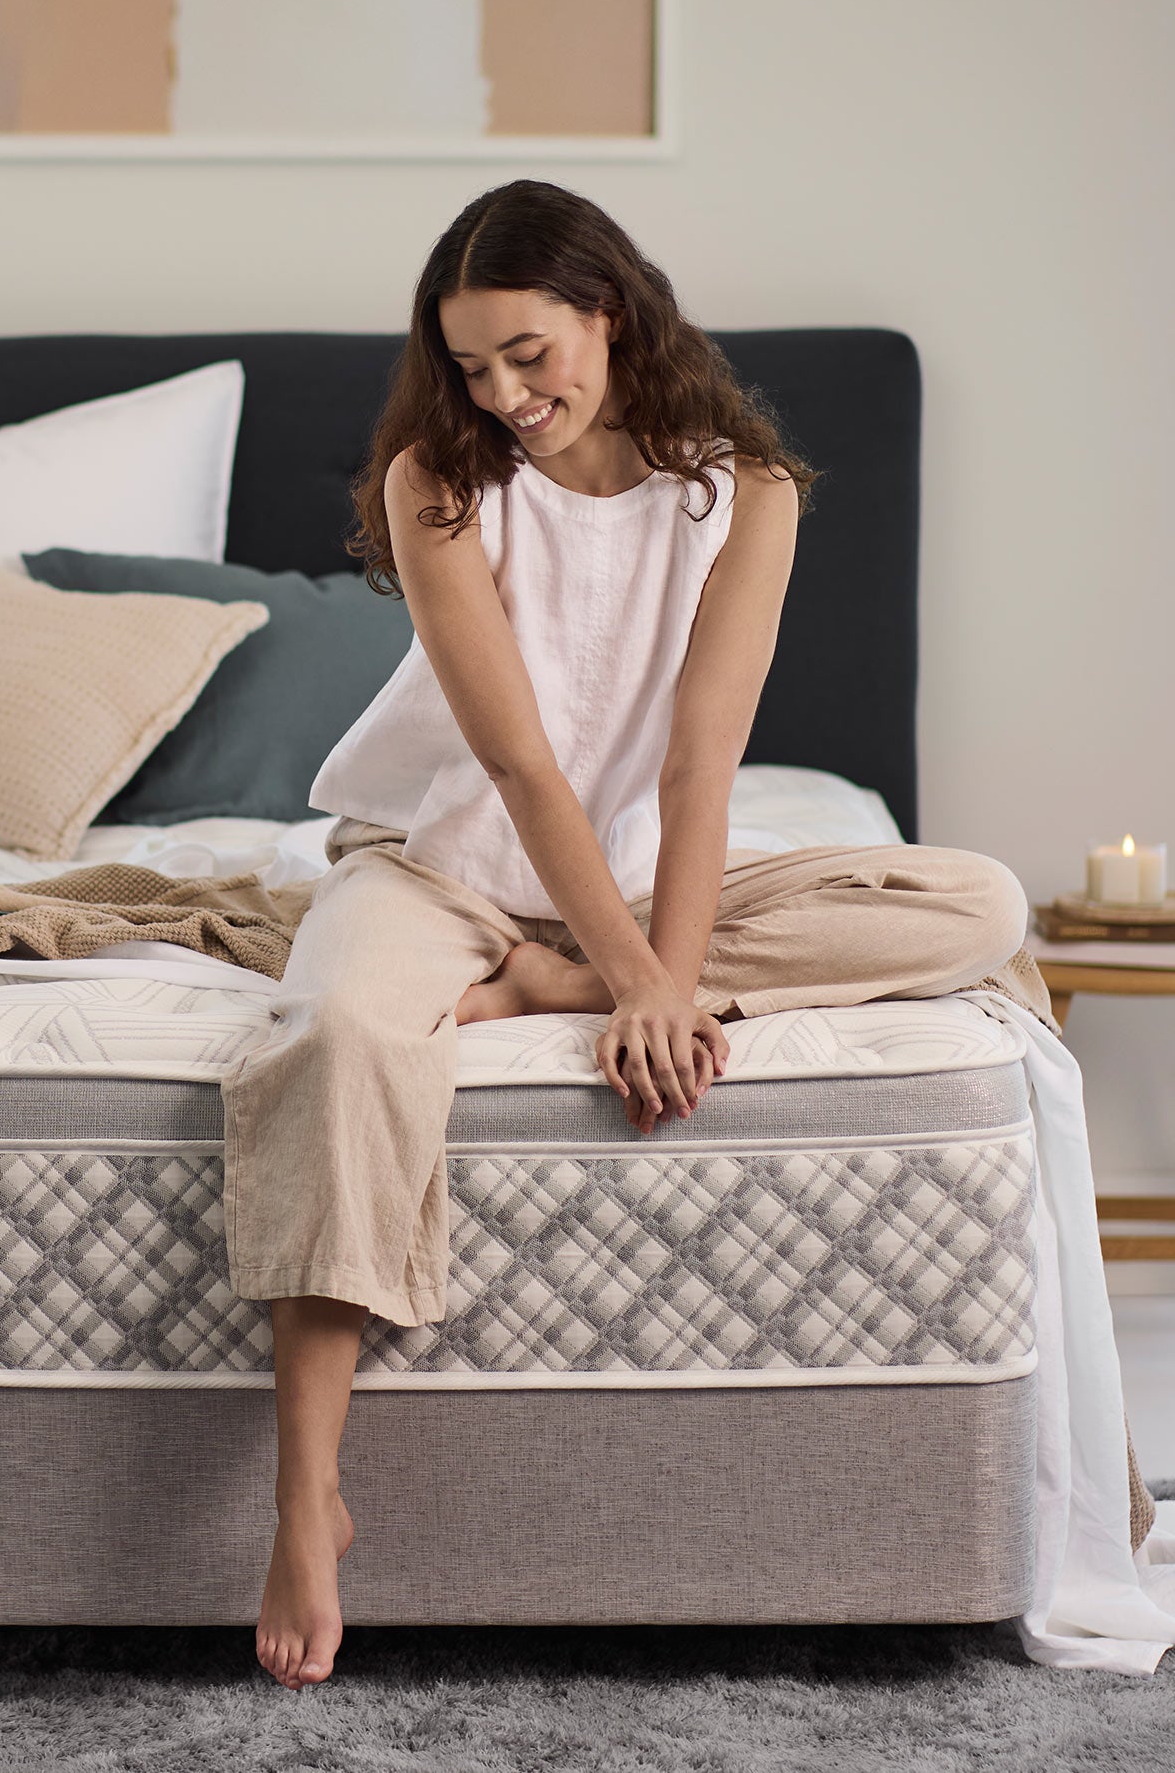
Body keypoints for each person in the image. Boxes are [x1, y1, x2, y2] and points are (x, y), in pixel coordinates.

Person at [222, 180, 1031, 1692]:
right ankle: (304, 1495)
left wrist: (644, 975)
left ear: (611, 311)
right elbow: (522, 767)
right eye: (471, 367)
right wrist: (652, 990)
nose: (503, 396)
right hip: (441, 870)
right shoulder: (437, 483)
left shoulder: (746, 493)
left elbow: (697, 768)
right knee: (335, 1036)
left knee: (978, 903)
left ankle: (548, 985)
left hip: (646, 890)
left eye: (529, 354)